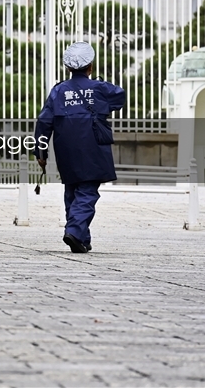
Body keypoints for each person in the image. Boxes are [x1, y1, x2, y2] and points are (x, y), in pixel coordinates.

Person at [34, 41, 125, 254]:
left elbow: (44, 122)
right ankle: (74, 230)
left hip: (65, 148)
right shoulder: (100, 88)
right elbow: (119, 96)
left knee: (72, 191)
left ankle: (81, 239)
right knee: (87, 192)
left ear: (68, 67)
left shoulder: (58, 91)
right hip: (92, 146)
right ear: (90, 66)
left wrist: (40, 151)